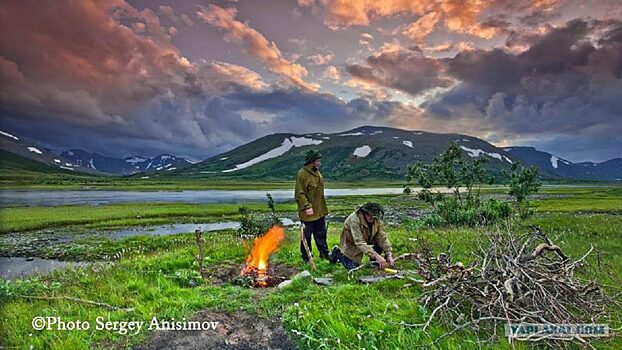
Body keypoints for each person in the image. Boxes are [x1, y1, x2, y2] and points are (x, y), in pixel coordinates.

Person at [329, 202, 395, 270]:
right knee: (353, 267)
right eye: (369, 215)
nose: (371, 218)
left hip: (368, 237)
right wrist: (377, 256)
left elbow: (382, 236)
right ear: (364, 213)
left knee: (380, 244)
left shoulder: (376, 219)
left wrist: (388, 254)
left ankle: (373, 262)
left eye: (374, 217)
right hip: (352, 241)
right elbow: (359, 242)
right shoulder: (354, 220)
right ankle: (337, 253)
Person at [295, 149, 329, 262]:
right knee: (306, 236)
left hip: (319, 211)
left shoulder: (318, 173)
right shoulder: (302, 174)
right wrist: (307, 207)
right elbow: (300, 194)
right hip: (308, 213)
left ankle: (324, 255)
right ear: (312, 161)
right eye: (318, 161)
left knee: (321, 234)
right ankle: (307, 258)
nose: (320, 163)